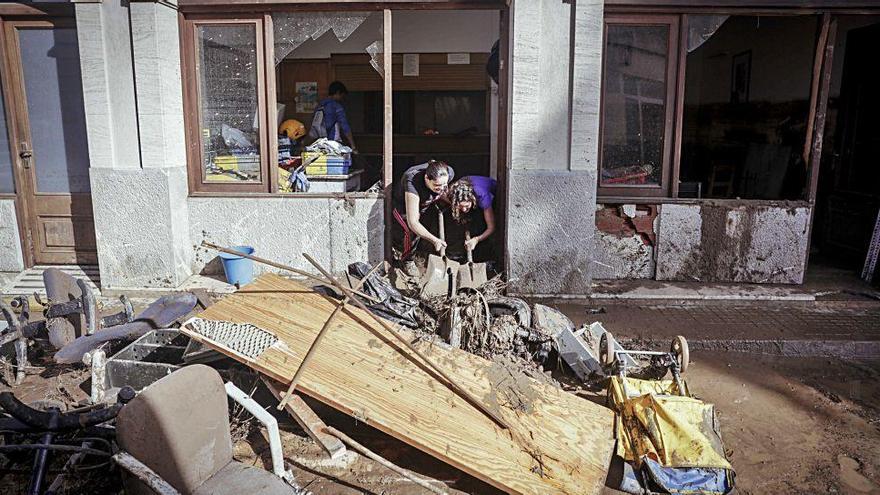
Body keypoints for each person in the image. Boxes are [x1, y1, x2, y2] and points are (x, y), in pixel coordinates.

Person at [392, 160, 455, 260]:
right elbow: (413, 223)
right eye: (437, 186)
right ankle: (407, 259)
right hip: (402, 205)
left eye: (444, 184)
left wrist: (455, 205)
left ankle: (420, 251)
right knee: (410, 230)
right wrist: (435, 240)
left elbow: (443, 192)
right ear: (426, 178)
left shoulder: (448, 172)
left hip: (424, 202)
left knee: (424, 225)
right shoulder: (412, 181)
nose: (442, 188)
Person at [445, 176, 497, 252]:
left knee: (480, 222)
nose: (464, 209)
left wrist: (476, 239)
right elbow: (442, 196)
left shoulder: (483, 197)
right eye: (460, 207)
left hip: (494, 192)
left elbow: (491, 228)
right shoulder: (454, 191)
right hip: (470, 191)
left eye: (466, 206)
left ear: (472, 199)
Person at [315, 81, 357, 152]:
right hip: (333, 143)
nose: (342, 99)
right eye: (342, 96)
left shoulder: (320, 105)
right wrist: (353, 146)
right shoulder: (337, 107)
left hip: (319, 143)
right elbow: (345, 126)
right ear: (338, 93)